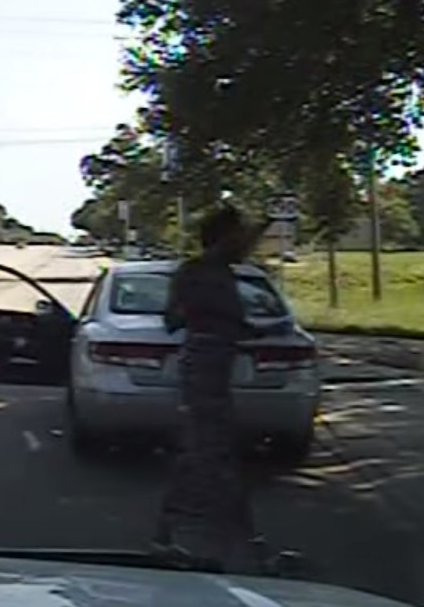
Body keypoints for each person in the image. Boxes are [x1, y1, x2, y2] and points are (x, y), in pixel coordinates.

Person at [153, 203, 273, 573]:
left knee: (211, 452)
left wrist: (246, 328)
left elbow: (178, 318)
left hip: (213, 367)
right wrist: (209, 314)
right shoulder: (201, 270)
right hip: (204, 367)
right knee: (208, 452)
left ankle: (179, 533)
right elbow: (174, 318)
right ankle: (217, 536)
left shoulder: (218, 271)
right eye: (238, 235)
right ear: (223, 237)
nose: (247, 245)